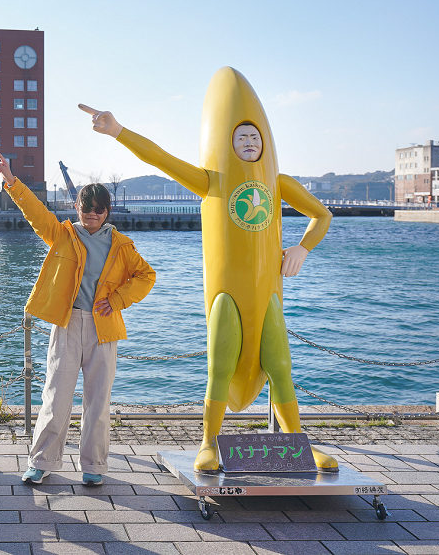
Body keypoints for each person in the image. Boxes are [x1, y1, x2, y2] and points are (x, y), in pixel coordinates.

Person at [79, 65, 336, 473]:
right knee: (219, 366)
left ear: (265, 141)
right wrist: (118, 131)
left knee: (281, 366)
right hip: (227, 294)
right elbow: (160, 158)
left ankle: (296, 443)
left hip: (268, 293)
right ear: (226, 141)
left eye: (255, 137)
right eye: (241, 136)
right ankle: (209, 444)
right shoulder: (211, 180)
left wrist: (301, 249)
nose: (249, 142)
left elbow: (321, 215)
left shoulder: (278, 182)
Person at [0, 151, 155, 486]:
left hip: (104, 329)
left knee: (98, 400)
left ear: (106, 211)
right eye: (86, 208)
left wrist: (119, 299)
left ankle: (94, 466)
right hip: (67, 324)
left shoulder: (122, 246)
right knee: (56, 394)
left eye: (98, 209)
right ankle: (41, 462)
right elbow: (37, 214)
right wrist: (12, 181)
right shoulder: (63, 234)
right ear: (76, 208)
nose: (92, 214)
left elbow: (146, 276)